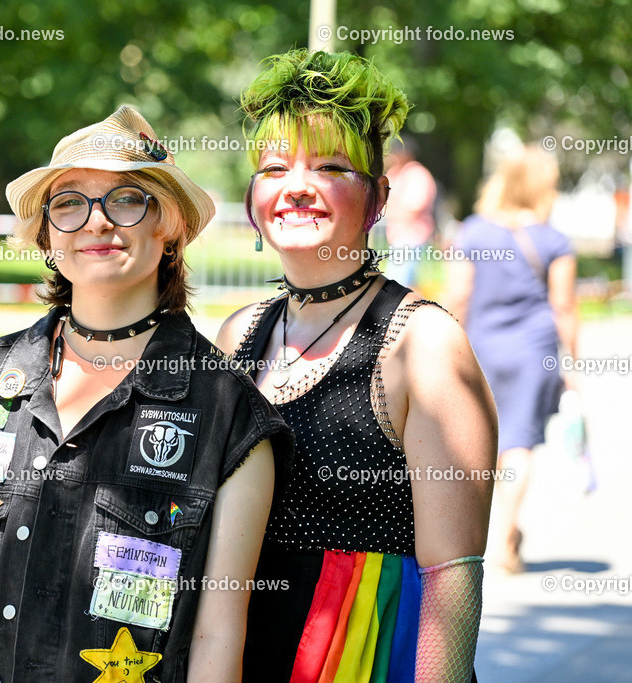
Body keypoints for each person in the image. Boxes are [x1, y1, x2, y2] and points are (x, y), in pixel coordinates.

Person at [0, 105, 292, 683]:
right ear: (48, 233)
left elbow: (217, 631)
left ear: (170, 224)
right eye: (70, 203)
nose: (96, 222)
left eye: (127, 199)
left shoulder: (227, 417)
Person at [215, 50, 498, 682]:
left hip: (366, 660)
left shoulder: (421, 343)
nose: (297, 186)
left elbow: (452, 578)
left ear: (377, 199)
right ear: (252, 198)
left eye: (331, 166)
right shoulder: (239, 335)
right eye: (275, 167)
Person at [446, 146, 579, 574]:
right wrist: (573, 365)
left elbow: (457, 295)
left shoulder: (472, 232)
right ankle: (507, 533)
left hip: (480, 348)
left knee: (483, 441)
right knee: (518, 442)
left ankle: (487, 533)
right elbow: (565, 308)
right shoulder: (554, 240)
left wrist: (446, 348)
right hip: (533, 352)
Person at [382, 137, 437, 288]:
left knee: (397, 284)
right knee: (406, 283)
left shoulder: (417, 174)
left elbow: (413, 209)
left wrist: (392, 210)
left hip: (412, 238)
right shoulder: (394, 173)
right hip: (397, 236)